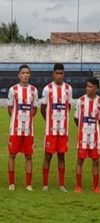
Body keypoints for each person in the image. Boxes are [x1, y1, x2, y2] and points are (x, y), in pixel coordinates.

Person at [40, 63, 73, 192]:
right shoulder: (47, 89)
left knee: (61, 156)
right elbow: (43, 108)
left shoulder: (68, 89)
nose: (59, 76)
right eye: (57, 73)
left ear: (64, 74)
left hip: (63, 130)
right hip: (50, 130)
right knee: (48, 156)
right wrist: (49, 121)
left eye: (61, 73)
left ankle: (61, 184)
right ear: (53, 74)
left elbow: (68, 107)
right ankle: (45, 184)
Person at [6, 65, 38, 191]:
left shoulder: (34, 90)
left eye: (27, 73)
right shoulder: (13, 90)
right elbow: (10, 108)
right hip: (15, 129)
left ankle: (28, 184)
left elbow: (34, 109)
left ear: (30, 75)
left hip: (28, 130)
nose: (25, 75)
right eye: (23, 73)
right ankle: (11, 183)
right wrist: (16, 118)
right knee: (12, 154)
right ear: (18, 75)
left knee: (28, 156)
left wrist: (27, 119)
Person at [74, 77, 100, 193]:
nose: (87, 88)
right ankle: (78, 186)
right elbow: (76, 118)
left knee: (95, 161)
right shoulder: (80, 101)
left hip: (95, 138)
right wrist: (82, 129)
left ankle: (96, 187)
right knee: (80, 160)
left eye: (90, 86)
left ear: (96, 88)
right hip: (82, 137)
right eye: (87, 86)